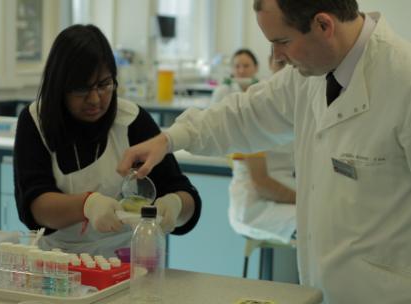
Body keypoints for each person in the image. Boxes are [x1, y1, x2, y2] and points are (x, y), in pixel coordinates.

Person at [117, 1, 411, 303]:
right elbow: (242, 115)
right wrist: (168, 139)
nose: (276, 57)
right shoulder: (308, 76)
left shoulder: (402, 79)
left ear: (324, 25)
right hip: (323, 289)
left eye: (282, 42)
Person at [13, 24, 202, 257]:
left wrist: (176, 205)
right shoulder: (36, 122)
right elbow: (35, 207)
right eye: (81, 88)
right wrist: (87, 205)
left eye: (104, 84)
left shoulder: (132, 121)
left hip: (131, 261)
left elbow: (186, 195)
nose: (95, 99)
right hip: (59, 262)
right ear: (59, 87)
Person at [227, 51, 295, 244]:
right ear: (270, 65)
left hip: (287, 197)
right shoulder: (254, 109)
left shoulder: (300, 107)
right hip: (256, 207)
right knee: (319, 226)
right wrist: (308, 203)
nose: (289, 73)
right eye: (281, 64)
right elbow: (261, 183)